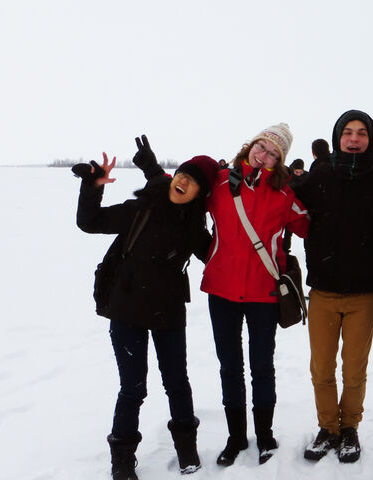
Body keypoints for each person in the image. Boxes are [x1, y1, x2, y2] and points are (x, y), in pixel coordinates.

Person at [72, 145, 219, 480]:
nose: (183, 180)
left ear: (201, 194)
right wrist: (92, 187)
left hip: (168, 312)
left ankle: (186, 450)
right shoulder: (142, 208)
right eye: (181, 173)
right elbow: (89, 221)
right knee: (133, 388)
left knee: (177, 383)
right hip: (126, 310)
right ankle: (122, 459)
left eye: (192, 181)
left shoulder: (194, 227)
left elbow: (217, 256)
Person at [199, 123, 310, 467]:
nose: (264, 155)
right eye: (261, 147)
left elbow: (311, 226)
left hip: (264, 293)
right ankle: (235, 438)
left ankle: (264, 436)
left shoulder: (284, 196)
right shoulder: (218, 184)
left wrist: (313, 188)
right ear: (249, 146)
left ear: (280, 161)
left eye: (273, 153)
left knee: (262, 367)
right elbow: (181, 197)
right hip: (221, 290)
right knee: (229, 366)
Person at [292, 110, 373, 463]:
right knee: (321, 367)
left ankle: (349, 429)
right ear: (337, 137)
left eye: (361, 133)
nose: (354, 138)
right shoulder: (322, 173)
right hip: (323, 290)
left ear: (371, 139)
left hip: (364, 292)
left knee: (354, 369)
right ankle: (328, 428)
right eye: (347, 132)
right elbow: (282, 197)